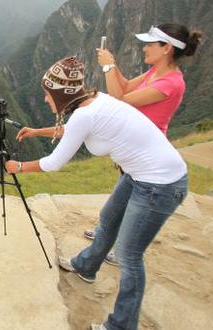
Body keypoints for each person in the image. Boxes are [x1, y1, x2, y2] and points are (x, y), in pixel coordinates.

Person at [5, 56, 188, 330]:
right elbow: (74, 130)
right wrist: (37, 132)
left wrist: (18, 166)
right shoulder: (95, 100)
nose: (45, 99)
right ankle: (86, 266)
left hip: (160, 185)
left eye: (47, 94)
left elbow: (54, 163)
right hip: (139, 175)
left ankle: (122, 325)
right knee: (109, 217)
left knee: (128, 255)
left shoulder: (86, 113)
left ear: (60, 94)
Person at [81, 23, 203, 250]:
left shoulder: (171, 83)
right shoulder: (156, 72)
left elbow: (120, 100)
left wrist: (108, 68)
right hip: (134, 147)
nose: (144, 48)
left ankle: (118, 247)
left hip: (146, 152)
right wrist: (113, 65)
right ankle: (105, 235)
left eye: (149, 44)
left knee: (132, 200)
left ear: (166, 48)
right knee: (122, 198)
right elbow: (126, 86)